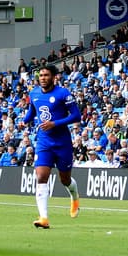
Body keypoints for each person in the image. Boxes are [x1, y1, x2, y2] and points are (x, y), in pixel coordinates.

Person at [22, 65, 83, 228]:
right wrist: (25, 120)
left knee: (65, 179)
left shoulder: (63, 93)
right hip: (44, 141)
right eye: (41, 75)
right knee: (41, 176)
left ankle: (75, 197)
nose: (43, 78)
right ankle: (44, 218)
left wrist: (54, 123)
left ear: (54, 77)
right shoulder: (33, 93)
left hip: (62, 142)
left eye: (46, 75)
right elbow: (32, 111)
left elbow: (77, 116)